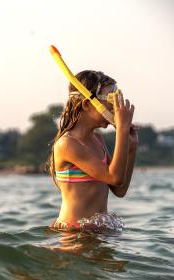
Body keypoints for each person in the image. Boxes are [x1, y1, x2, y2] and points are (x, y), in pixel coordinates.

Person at [48, 70, 138, 232]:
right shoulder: (67, 144)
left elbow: (119, 189)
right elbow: (115, 177)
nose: (115, 107)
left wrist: (131, 148)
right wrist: (122, 131)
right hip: (74, 234)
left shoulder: (98, 140)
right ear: (87, 104)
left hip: (98, 233)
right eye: (111, 99)